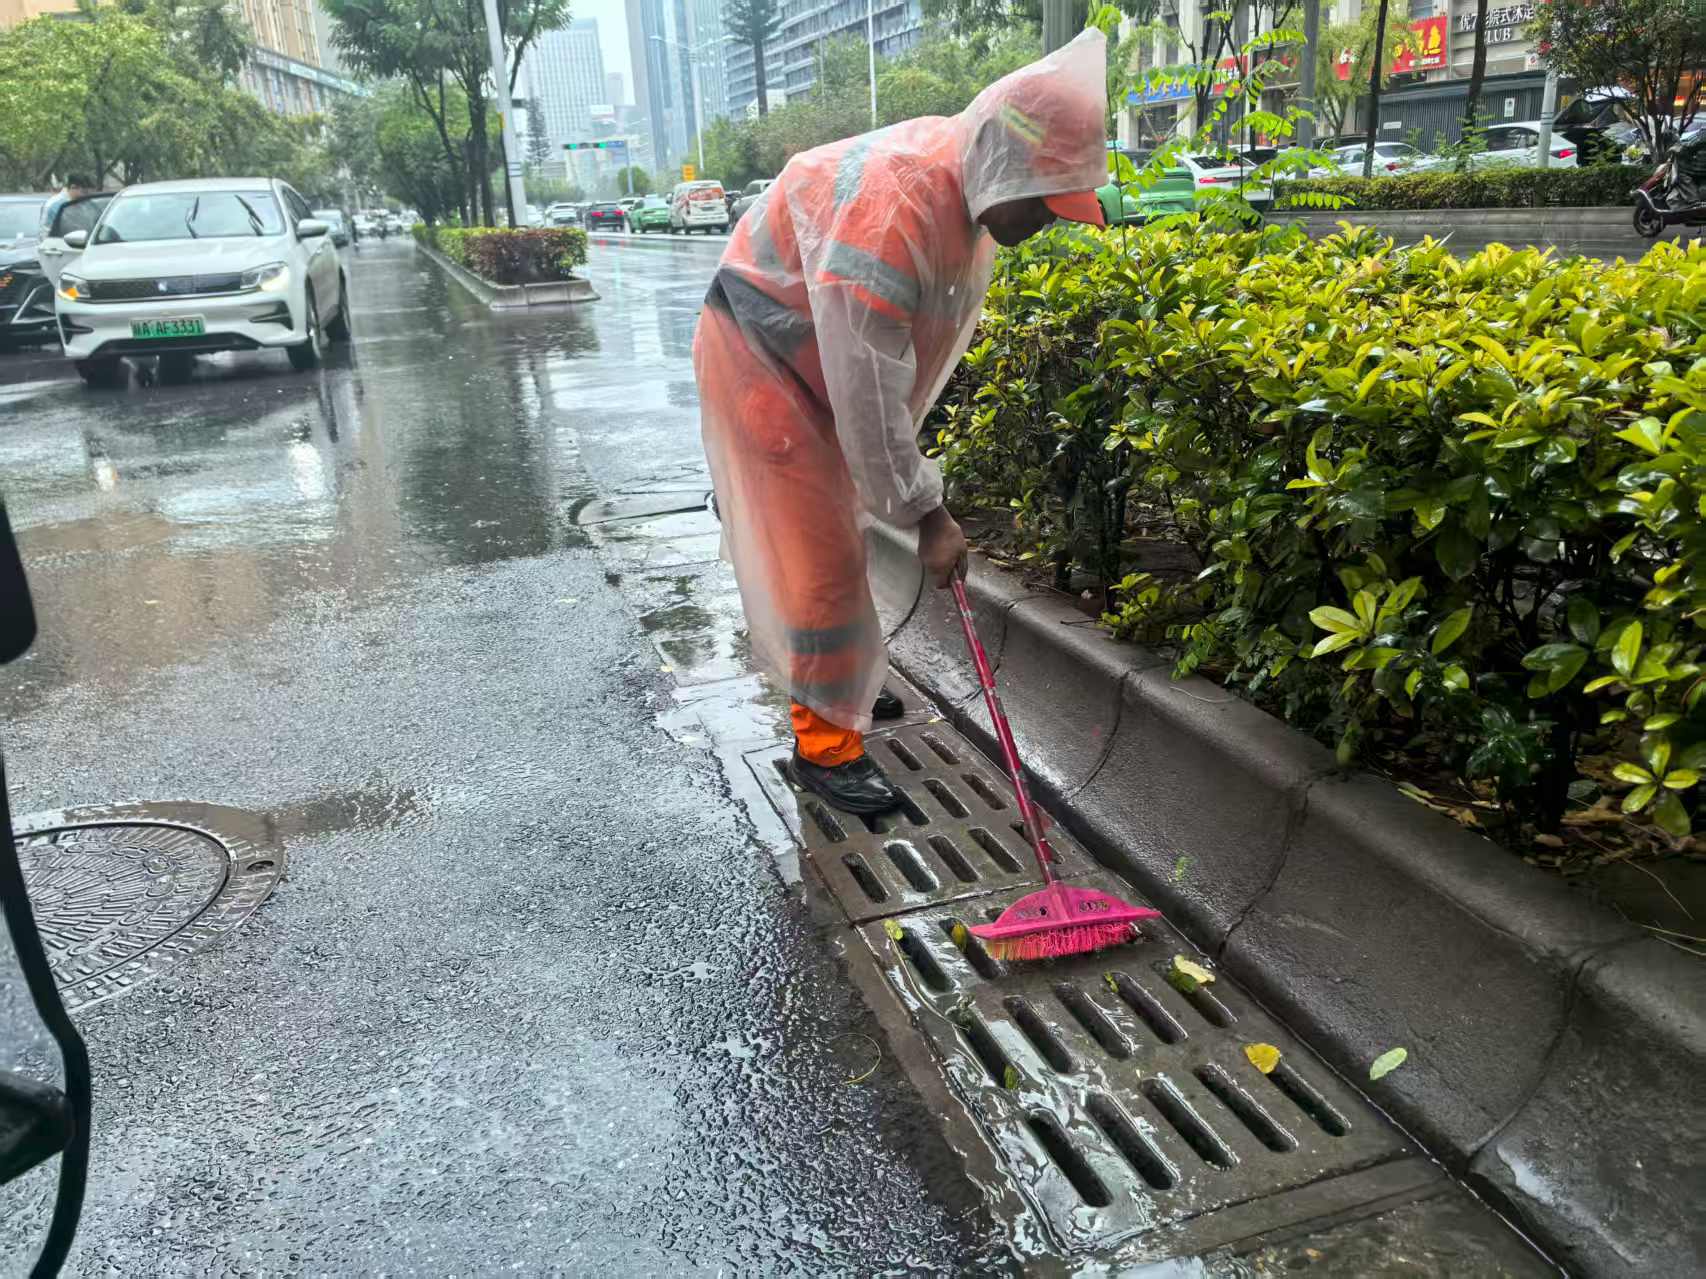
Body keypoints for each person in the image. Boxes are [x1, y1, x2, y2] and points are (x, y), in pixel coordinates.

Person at [693, 30, 1109, 815]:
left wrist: (905, 490)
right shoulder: (896, 207)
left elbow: (885, 372)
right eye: (1042, 202)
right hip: (763, 364)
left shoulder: (953, 191)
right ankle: (825, 746)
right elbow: (867, 389)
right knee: (818, 558)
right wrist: (927, 513)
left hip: (806, 365)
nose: (1044, 222)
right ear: (1002, 163)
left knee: (838, 538)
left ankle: (843, 683)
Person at [39, 174, 95, 239]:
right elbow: (46, 232)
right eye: (84, 191)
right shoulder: (56, 206)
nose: (84, 194)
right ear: (72, 188)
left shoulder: (87, 205)